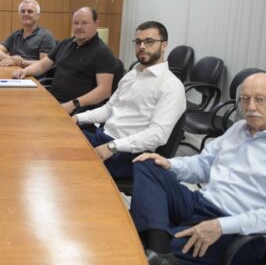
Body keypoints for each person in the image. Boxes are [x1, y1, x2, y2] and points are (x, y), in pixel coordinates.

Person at [130, 73, 266, 265]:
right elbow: (203, 164)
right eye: (245, 99)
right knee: (147, 163)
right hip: (201, 204)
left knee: (135, 256)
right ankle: (160, 252)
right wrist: (170, 164)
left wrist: (221, 226)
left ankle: (156, 253)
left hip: (241, 233)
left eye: (259, 99)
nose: (250, 107)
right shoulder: (238, 129)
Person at [74, 21, 185, 179]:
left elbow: (157, 135)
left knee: (69, 164)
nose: (142, 46)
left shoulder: (171, 85)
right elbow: (109, 109)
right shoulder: (132, 75)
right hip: (103, 137)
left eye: (149, 41)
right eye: (138, 42)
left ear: (164, 45)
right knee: (61, 139)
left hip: (128, 154)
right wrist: (77, 118)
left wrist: (113, 146)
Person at [13, 7, 116, 114]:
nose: (79, 27)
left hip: (77, 109)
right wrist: (25, 71)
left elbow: (104, 91)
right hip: (52, 102)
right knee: (18, 108)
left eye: (84, 23)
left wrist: (73, 104)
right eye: (76, 23)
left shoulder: (103, 52)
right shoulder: (66, 43)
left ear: (96, 24)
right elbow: (42, 65)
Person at [0, 0, 56, 68]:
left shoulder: (46, 36)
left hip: (32, 76)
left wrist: (21, 62)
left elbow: (45, 64)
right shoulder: (16, 34)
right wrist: (12, 58)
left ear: (38, 16)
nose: (26, 14)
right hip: (13, 71)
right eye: (23, 11)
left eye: (30, 11)